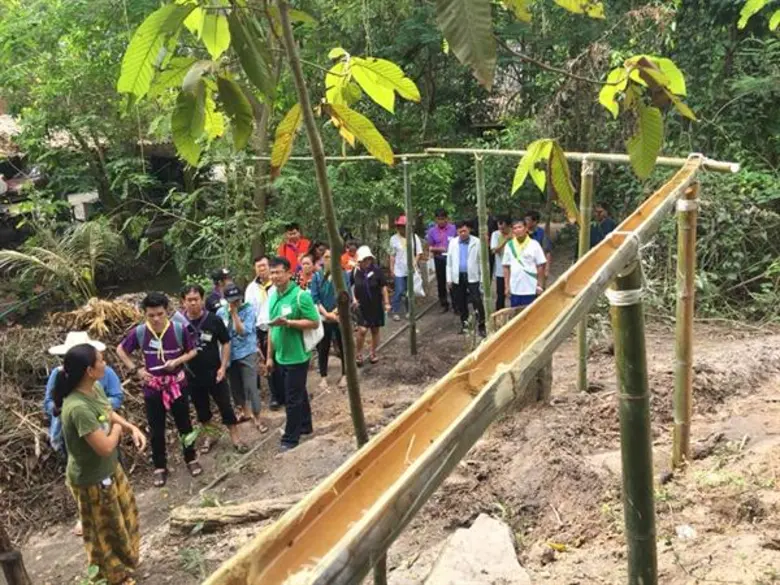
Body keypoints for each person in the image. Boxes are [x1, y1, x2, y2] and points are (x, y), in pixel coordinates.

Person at [56, 343, 146, 585]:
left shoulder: (94, 388)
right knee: (103, 534)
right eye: (101, 360)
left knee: (125, 519)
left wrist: (130, 427)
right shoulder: (77, 408)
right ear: (89, 370)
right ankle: (112, 578)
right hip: (92, 481)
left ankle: (125, 565)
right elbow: (105, 446)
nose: (105, 364)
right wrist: (118, 429)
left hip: (110, 470)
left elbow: (107, 412)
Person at [44, 331, 125, 537]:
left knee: (109, 472)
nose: (103, 362)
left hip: (101, 430)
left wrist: (102, 413)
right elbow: (50, 401)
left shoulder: (100, 380)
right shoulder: (64, 384)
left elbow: (114, 398)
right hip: (80, 435)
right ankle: (88, 516)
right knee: (86, 474)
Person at [117, 292, 201, 487]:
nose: (156, 319)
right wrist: (136, 369)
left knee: (184, 424)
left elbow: (193, 351)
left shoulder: (179, 329)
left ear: (167, 311)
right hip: (153, 387)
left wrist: (178, 361)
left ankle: (191, 458)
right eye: (151, 315)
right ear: (145, 314)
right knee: (156, 429)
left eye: (160, 314)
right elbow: (121, 350)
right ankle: (160, 467)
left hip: (177, 385)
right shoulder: (140, 332)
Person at [173, 285, 247, 453]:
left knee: (225, 406)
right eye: (189, 300)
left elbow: (226, 342)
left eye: (196, 299)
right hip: (191, 375)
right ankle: (210, 435)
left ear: (202, 299)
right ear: (182, 302)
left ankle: (236, 438)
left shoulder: (213, 320)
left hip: (215, 372)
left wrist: (223, 366)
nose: (193, 303)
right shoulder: (178, 325)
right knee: (202, 410)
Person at [266, 256, 320, 451]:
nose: (275, 276)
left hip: (297, 356)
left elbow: (314, 321)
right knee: (298, 393)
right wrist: (269, 356)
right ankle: (305, 425)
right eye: (272, 273)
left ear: (289, 273)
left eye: (279, 272)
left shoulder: (300, 296)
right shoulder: (273, 296)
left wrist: (289, 323)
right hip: (280, 355)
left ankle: (291, 438)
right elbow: (271, 328)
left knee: (292, 398)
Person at [45, 332, 124, 455]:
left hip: (102, 426)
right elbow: (49, 401)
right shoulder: (60, 376)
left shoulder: (102, 377)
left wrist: (97, 408)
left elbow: (115, 398)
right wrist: (62, 411)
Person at [217, 284, 267, 433]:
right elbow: (221, 335)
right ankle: (245, 412)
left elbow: (242, 331)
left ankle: (257, 417)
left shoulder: (249, 309)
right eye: (231, 301)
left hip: (247, 352)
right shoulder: (220, 313)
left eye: (237, 300)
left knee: (251, 386)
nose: (235, 303)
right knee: (235, 387)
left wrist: (234, 314)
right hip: (230, 355)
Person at [244, 255, 284, 410]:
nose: (262, 269)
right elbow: (249, 312)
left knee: (282, 360)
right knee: (269, 364)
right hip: (262, 329)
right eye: (258, 266)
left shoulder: (277, 284)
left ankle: (287, 392)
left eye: (264, 265)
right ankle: (275, 396)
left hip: (280, 325)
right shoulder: (251, 288)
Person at [310, 247, 347, 391]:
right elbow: (315, 299)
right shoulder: (317, 277)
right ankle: (323, 377)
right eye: (326, 257)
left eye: (331, 257)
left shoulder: (342, 275)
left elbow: (345, 294)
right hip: (323, 317)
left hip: (339, 317)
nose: (328, 260)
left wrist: (335, 313)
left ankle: (345, 374)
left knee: (343, 346)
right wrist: (326, 314)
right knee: (322, 347)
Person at [351, 246, 391, 365]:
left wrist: (387, 302)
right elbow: (351, 286)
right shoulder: (354, 272)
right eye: (364, 259)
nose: (367, 262)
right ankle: (358, 354)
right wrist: (353, 299)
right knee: (362, 330)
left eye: (368, 259)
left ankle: (373, 352)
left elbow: (383, 287)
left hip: (375, 304)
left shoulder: (376, 270)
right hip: (362, 305)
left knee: (375, 329)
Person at [446, 221, 486, 337]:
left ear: (469, 230)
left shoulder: (477, 242)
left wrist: (482, 279)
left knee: (477, 301)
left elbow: (481, 262)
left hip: (473, 276)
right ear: (457, 232)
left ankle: (481, 326)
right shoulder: (453, 242)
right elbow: (449, 262)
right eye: (460, 231)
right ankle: (465, 325)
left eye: (465, 231)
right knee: (461, 302)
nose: (462, 233)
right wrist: (449, 279)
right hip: (458, 276)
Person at [503, 219, 547, 309]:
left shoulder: (534, 244)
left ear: (526, 228)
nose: (517, 230)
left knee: (531, 315)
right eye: (515, 228)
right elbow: (506, 266)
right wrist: (507, 286)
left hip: (531, 287)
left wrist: (540, 285)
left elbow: (541, 265)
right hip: (515, 287)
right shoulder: (509, 245)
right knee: (516, 315)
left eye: (520, 227)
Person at [388, 214, 423, 322]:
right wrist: (391, 268)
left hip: (411, 270)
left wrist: (414, 263)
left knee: (410, 291)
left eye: (403, 226)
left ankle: (409, 311)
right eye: (399, 226)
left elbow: (419, 253)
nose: (401, 228)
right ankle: (395, 311)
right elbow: (392, 255)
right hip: (399, 269)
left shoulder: (414, 237)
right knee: (399, 290)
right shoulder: (393, 239)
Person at [426, 208, 456, 313]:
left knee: (453, 280)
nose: (441, 221)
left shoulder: (453, 229)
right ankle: (444, 303)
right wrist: (440, 249)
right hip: (439, 259)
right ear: (436, 219)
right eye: (438, 219)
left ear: (447, 218)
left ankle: (456, 303)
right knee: (441, 281)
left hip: (452, 258)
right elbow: (430, 247)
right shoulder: (432, 231)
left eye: (443, 219)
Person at [489, 216, 512, 311]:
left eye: (503, 228)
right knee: (500, 295)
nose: (501, 230)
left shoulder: (515, 233)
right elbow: (494, 250)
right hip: (500, 270)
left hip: (514, 270)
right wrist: (506, 240)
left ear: (509, 226)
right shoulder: (495, 234)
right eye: (499, 227)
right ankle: (499, 315)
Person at [525, 210, 552, 289]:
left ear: (535, 222)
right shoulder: (522, 233)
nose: (526, 222)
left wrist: (547, 269)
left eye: (528, 220)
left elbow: (547, 252)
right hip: (525, 267)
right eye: (525, 220)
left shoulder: (542, 234)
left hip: (539, 267)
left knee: (539, 290)